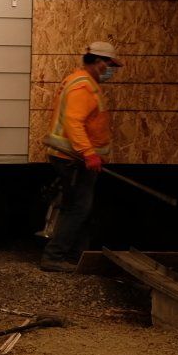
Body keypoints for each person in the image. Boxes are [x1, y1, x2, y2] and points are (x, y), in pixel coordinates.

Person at [41, 40, 122, 273]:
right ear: (98, 62)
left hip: (74, 158)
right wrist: (89, 153)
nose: (111, 69)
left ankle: (76, 256)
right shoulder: (82, 87)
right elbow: (73, 123)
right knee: (78, 208)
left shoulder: (83, 82)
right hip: (73, 159)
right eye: (109, 64)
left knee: (79, 207)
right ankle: (54, 257)